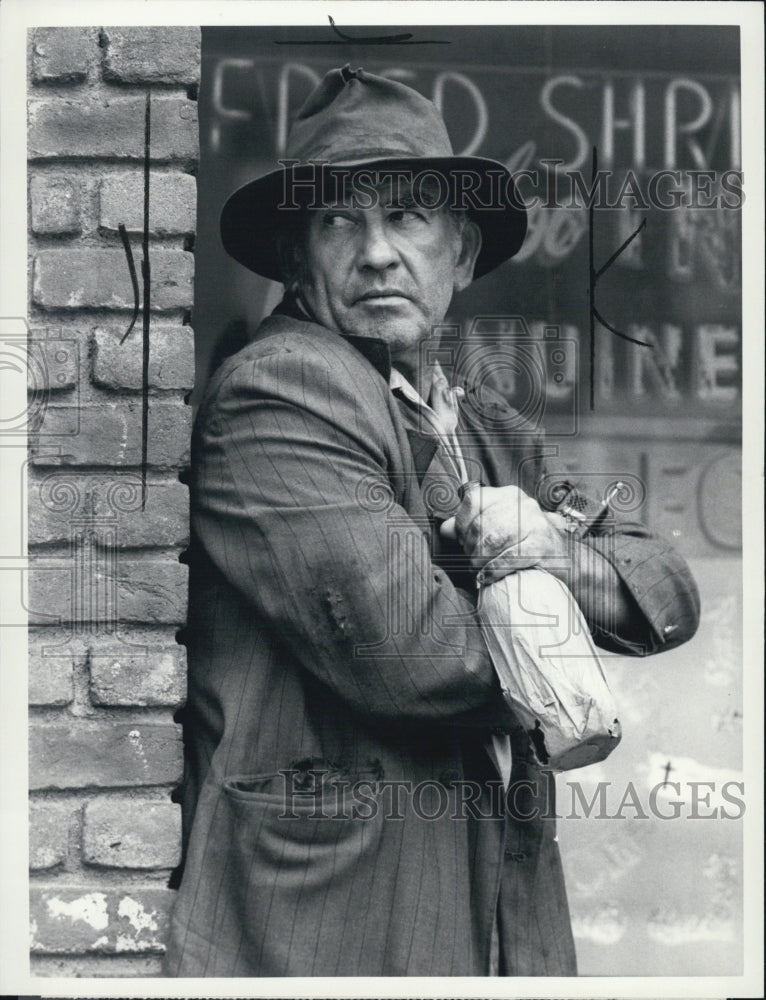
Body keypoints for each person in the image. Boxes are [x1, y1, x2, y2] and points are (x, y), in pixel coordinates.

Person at [164, 66, 699, 977]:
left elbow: (665, 590)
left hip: (490, 916)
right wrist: (570, 609)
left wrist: (544, 547)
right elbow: (413, 654)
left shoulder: (477, 415)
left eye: (407, 216)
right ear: (296, 258)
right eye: (339, 222)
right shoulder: (285, 389)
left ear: (460, 252)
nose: (376, 253)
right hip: (328, 931)